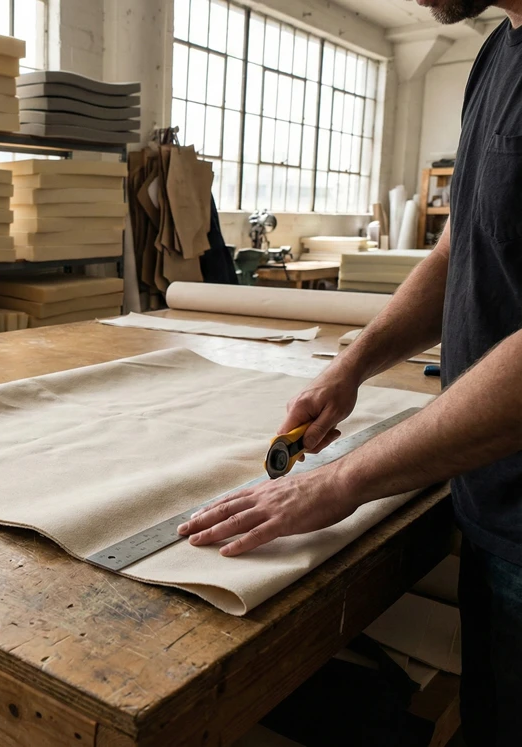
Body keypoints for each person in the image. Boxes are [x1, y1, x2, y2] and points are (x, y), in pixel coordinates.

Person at [178, 1, 522, 744]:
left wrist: (340, 479)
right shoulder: (497, 55)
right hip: (490, 494)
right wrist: (353, 364)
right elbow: (461, 246)